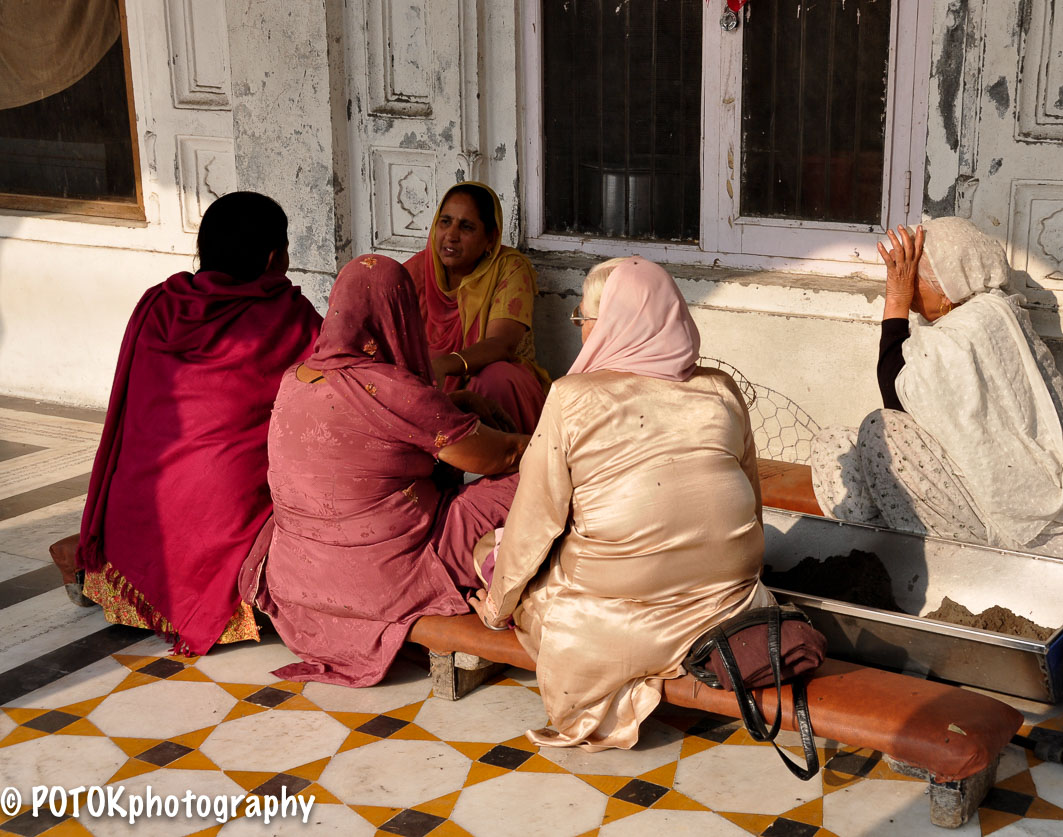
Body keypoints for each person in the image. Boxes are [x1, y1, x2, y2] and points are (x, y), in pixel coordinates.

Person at [469, 257, 775, 750]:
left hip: (607, 627)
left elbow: (535, 523)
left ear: (611, 324)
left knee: (493, 545)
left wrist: (496, 606)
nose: (582, 331)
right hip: (728, 607)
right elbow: (752, 510)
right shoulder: (721, 389)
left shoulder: (570, 398)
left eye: (584, 319)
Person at [810, 217, 1063, 580]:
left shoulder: (976, 325)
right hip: (963, 482)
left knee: (882, 428)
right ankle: (893, 552)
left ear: (947, 281)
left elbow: (895, 400)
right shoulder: (960, 322)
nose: (903, 283)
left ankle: (934, 564)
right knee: (832, 444)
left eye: (911, 275)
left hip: (1001, 507)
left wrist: (896, 301)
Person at [54, 191, 323, 655]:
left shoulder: (159, 303)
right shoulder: (288, 316)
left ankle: (116, 583)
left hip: (135, 528)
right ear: (274, 257)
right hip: (223, 533)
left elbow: (124, 407)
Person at [246, 254, 531, 687]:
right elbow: (500, 455)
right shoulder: (393, 390)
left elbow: (372, 436)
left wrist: (457, 405)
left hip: (297, 575)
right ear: (401, 314)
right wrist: (563, 446)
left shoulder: (296, 378)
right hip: (384, 578)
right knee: (526, 485)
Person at [403, 182, 549, 433]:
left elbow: (501, 344)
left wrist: (444, 365)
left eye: (467, 226)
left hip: (492, 380)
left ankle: (500, 461)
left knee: (496, 378)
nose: (451, 235)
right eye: (445, 222)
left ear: (490, 238)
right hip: (430, 383)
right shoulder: (415, 271)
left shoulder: (509, 267)